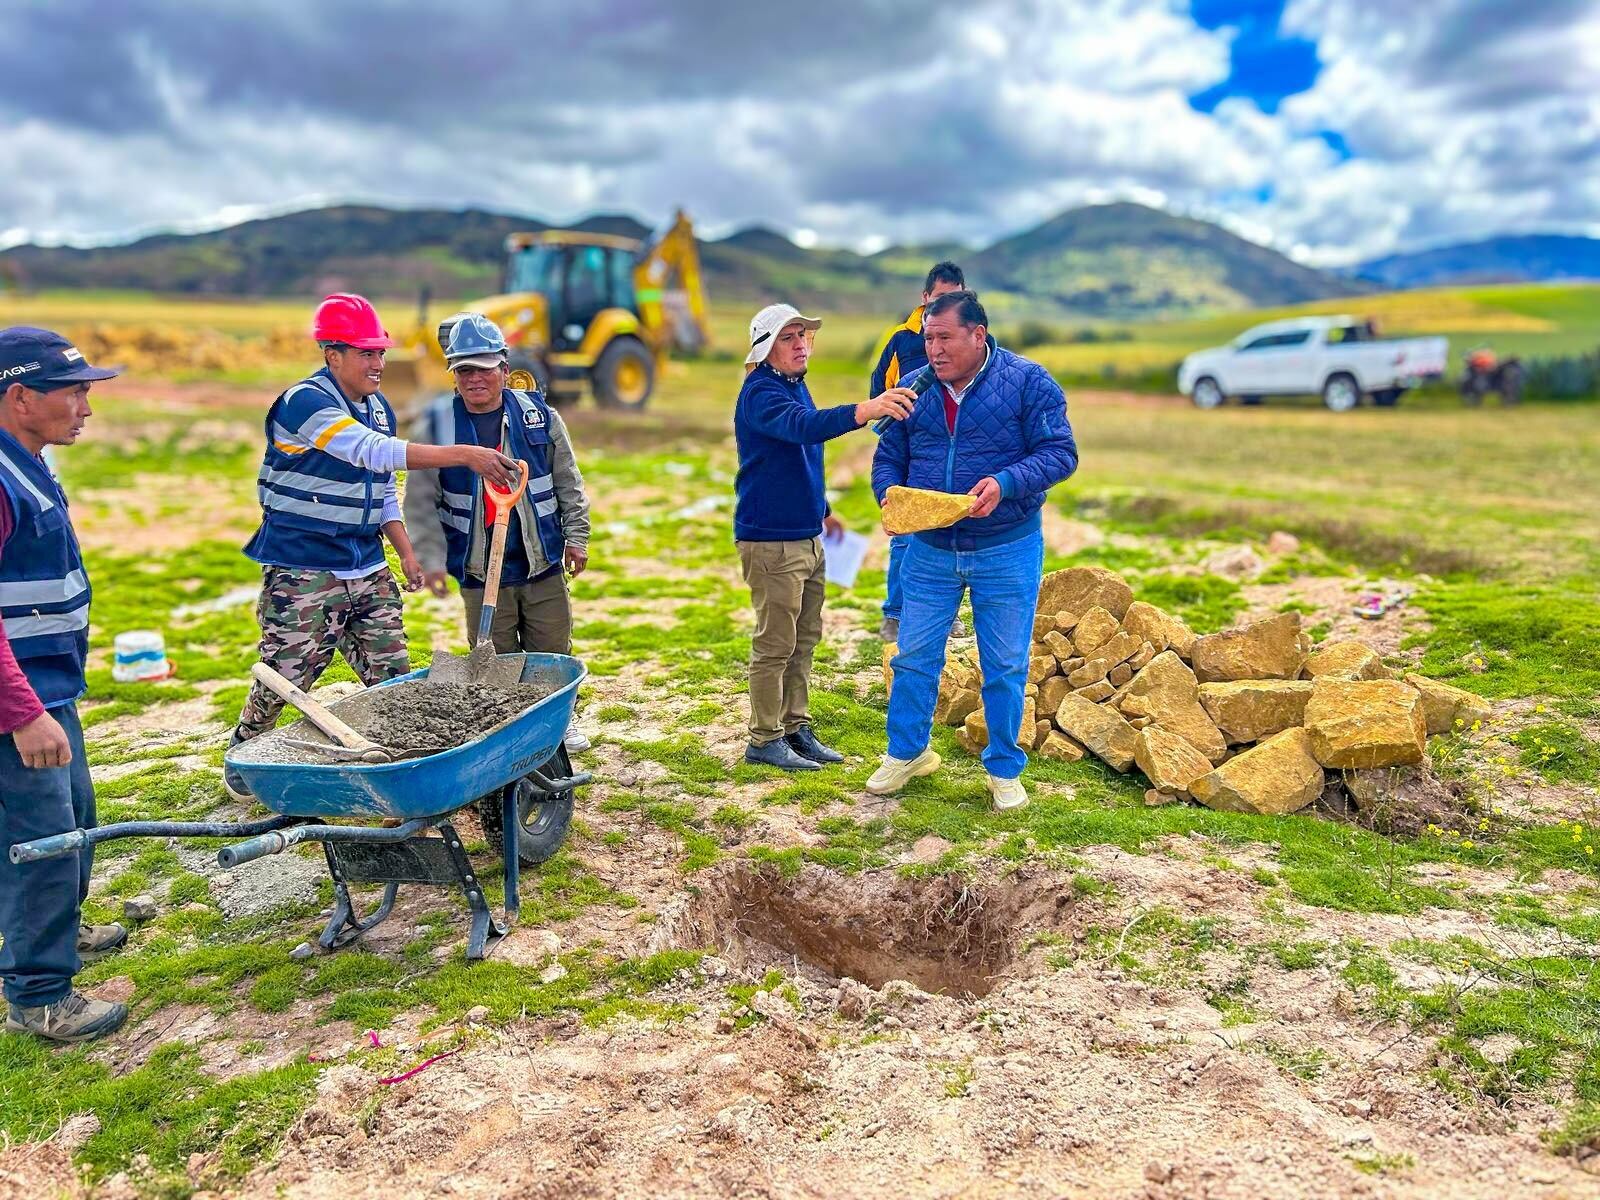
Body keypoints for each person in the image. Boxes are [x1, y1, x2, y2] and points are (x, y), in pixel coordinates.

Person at [224, 295, 519, 799]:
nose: (378, 363)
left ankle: (405, 766)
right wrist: (465, 455)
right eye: (365, 353)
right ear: (331, 354)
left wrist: (402, 548)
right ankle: (247, 747)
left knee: (392, 668)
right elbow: (368, 451)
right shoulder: (305, 402)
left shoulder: (378, 407)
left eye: (380, 352)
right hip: (303, 563)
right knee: (289, 668)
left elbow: (381, 483)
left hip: (364, 559)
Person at [867, 291, 1078, 811]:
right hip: (930, 552)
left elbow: (1060, 453)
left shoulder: (1029, 381)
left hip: (1007, 547)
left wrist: (1005, 483)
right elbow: (887, 457)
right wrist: (889, 499)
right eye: (928, 339)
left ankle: (1005, 769)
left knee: (1004, 663)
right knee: (914, 656)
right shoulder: (914, 390)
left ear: (977, 335)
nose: (933, 350)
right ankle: (906, 752)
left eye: (943, 338)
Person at [0, 327, 129, 1042]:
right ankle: (40, 997)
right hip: (19, 697)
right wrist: (21, 713)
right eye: (73, 391)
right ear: (21, 397)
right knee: (42, 835)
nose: (86, 406)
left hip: (45, 684)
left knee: (72, 816)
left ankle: (56, 935)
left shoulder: (29, 462)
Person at [735, 303, 914, 770]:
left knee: (804, 637)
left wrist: (825, 510)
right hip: (772, 539)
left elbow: (800, 457)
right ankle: (764, 738)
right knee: (775, 642)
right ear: (765, 348)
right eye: (788, 337)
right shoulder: (760, 393)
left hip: (806, 533)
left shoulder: (793, 386)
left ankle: (795, 728)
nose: (800, 344)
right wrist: (865, 409)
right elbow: (802, 428)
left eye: (804, 336)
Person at [403, 314, 592, 750]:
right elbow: (419, 501)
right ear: (454, 375)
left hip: (540, 557)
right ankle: (509, 734)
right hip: (478, 568)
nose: (474, 379)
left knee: (551, 649)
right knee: (494, 658)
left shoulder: (539, 417)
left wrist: (577, 536)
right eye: (464, 369)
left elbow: (568, 481)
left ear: (505, 369)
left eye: (484, 367)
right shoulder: (438, 427)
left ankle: (559, 720)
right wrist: (431, 560)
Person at [869, 261, 966, 642]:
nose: (946, 305)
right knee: (906, 534)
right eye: (940, 297)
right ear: (925, 298)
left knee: (951, 533)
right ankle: (895, 615)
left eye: (955, 297)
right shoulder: (900, 340)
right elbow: (878, 392)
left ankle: (946, 616)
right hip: (911, 450)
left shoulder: (969, 340)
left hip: (955, 450)